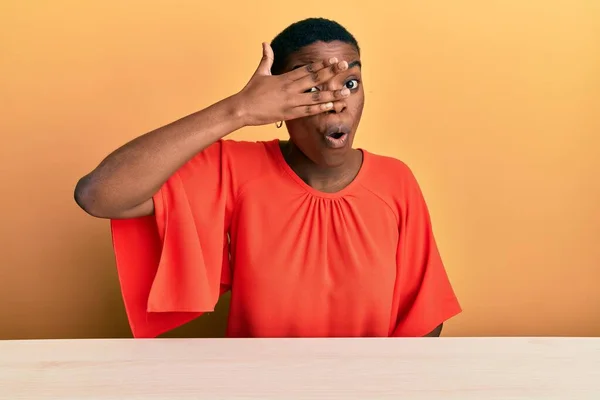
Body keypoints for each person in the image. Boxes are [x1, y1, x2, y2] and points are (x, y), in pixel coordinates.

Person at [74, 17, 461, 338]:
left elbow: (424, 317)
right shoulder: (236, 169)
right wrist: (238, 110)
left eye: (350, 83)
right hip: (257, 386)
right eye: (310, 88)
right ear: (279, 102)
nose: (336, 100)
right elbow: (99, 195)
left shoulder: (396, 180)